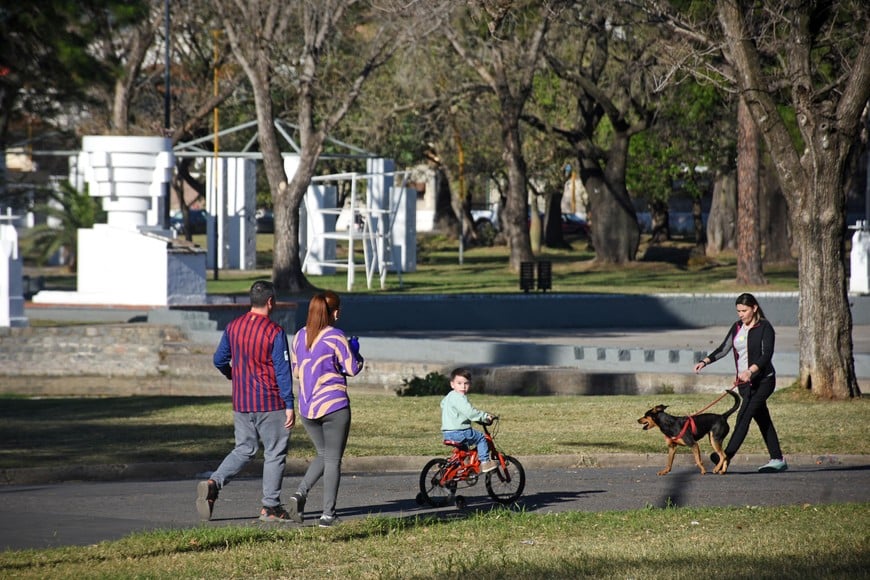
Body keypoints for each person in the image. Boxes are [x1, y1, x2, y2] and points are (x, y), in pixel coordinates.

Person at [196, 280, 296, 522]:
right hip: (270, 402)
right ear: (271, 302)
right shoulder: (274, 332)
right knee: (274, 452)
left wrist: (233, 374)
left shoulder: (233, 327)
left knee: (244, 449)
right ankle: (270, 506)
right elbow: (283, 371)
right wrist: (289, 404)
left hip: (241, 402)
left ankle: (214, 482)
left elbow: (219, 359)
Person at [288, 290, 364, 527]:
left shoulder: (299, 336)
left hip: (307, 408)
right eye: (337, 308)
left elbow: (297, 372)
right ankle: (327, 515)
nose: (339, 312)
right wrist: (355, 351)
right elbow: (352, 368)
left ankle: (299, 494)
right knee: (333, 461)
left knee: (323, 454)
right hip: (333, 406)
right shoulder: (335, 336)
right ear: (332, 312)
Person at [693, 292, 787, 473]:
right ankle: (777, 458)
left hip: (763, 381)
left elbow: (766, 355)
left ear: (754, 308)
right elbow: (723, 349)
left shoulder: (765, 327)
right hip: (744, 385)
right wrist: (705, 361)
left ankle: (725, 456)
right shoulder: (737, 327)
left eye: (744, 310)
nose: (741, 314)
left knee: (744, 416)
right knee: (762, 419)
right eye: (738, 311)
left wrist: (750, 371)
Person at [440, 367, 497, 473]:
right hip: (460, 432)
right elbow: (470, 413)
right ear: (452, 384)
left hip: (447, 432)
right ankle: (485, 463)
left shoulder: (449, 396)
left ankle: (462, 469)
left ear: (470, 384)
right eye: (459, 383)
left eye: (466, 383)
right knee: (481, 438)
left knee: (464, 451)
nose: (463, 386)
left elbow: (443, 404)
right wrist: (485, 416)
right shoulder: (460, 397)